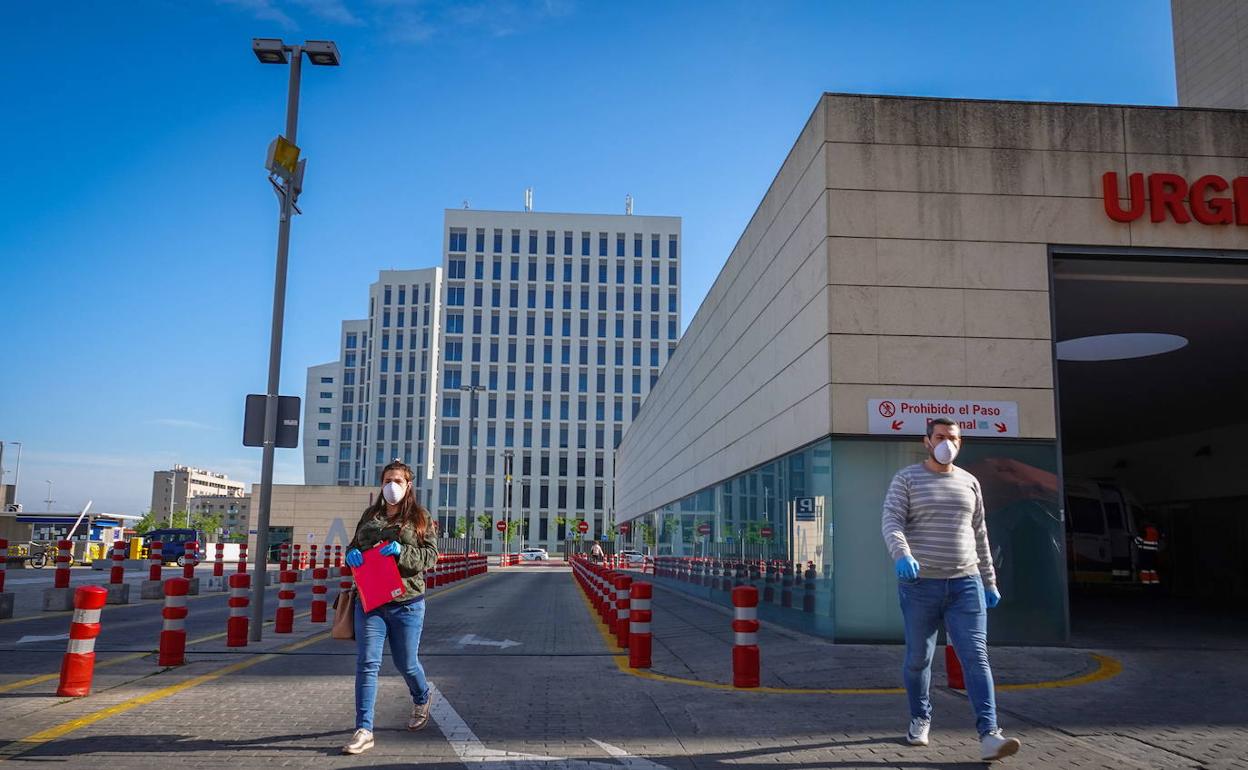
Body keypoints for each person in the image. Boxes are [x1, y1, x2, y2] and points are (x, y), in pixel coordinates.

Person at [881, 417, 1022, 762]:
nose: (948, 443)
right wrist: (902, 554)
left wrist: (989, 580)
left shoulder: (970, 482)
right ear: (927, 441)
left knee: (976, 656)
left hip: (966, 583)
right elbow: (891, 520)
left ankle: (990, 733)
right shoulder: (907, 479)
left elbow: (980, 534)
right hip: (920, 586)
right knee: (918, 658)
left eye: (954, 438)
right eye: (941, 437)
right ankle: (920, 717)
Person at [340, 460, 440, 756]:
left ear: (408, 485)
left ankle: (421, 696)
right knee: (367, 663)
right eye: (387, 480)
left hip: (406, 603)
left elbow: (431, 557)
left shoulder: (420, 518)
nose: (391, 485)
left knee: (406, 663)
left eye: (397, 480)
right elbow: (351, 546)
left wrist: (402, 551)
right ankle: (364, 729)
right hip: (370, 601)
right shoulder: (370, 515)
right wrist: (352, 555)